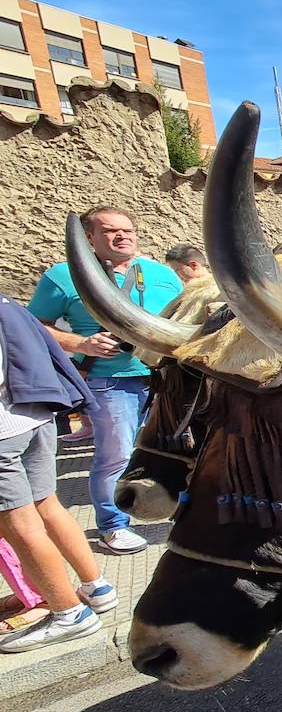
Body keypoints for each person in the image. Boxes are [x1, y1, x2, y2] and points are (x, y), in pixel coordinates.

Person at [27, 206, 182, 555]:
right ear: (89, 238)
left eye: (127, 230)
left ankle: (176, 508)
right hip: (110, 381)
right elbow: (34, 325)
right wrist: (81, 344)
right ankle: (113, 526)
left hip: (166, 379)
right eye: (110, 231)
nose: (122, 236)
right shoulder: (64, 275)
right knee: (116, 456)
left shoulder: (160, 274)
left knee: (173, 450)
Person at [0, 292, 118, 652]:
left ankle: (68, 613)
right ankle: (96, 587)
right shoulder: (6, 301)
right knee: (47, 506)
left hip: (3, 430)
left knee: (20, 525)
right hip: (35, 415)